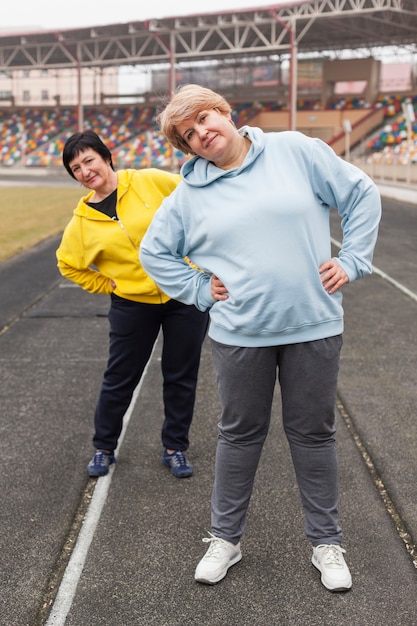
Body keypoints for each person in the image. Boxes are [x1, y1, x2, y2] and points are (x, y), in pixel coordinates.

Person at [140, 84, 382, 591]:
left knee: (313, 435)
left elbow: (359, 193)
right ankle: (226, 539)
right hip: (240, 334)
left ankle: (326, 543)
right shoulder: (189, 196)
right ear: (187, 149)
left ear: (226, 113)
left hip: (313, 325)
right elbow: (155, 253)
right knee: (238, 435)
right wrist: (199, 288)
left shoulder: (296, 150)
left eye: (205, 119)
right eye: (189, 135)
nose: (202, 134)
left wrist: (353, 259)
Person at [56, 130, 209, 479]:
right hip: (131, 305)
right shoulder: (81, 223)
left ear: (107, 157)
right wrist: (104, 283)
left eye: (89, 160)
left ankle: (175, 448)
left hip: (184, 296)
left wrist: (200, 259)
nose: (84, 170)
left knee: (181, 374)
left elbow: (195, 197)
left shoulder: (149, 180)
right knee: (120, 377)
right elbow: (68, 263)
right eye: (75, 168)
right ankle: (104, 447)